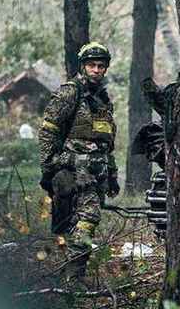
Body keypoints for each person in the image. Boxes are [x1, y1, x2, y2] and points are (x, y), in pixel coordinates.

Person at [38, 42, 120, 282]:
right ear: (83, 66)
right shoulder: (69, 92)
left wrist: (112, 175)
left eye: (101, 66)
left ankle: (66, 275)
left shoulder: (103, 99)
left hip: (97, 173)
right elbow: (48, 131)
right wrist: (49, 168)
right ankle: (74, 278)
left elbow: (106, 143)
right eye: (92, 65)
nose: (96, 70)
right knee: (88, 219)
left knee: (78, 223)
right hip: (73, 170)